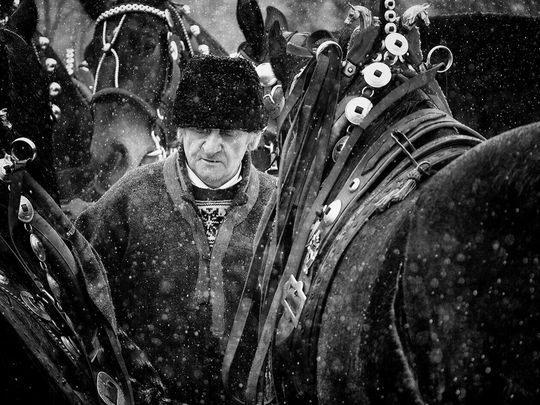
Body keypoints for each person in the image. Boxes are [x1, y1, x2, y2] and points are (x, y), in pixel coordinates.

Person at [76, 55, 276, 404]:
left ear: (254, 138)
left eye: (228, 133)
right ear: (180, 131)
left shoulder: (279, 208)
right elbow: (81, 289)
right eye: (200, 130)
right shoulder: (132, 197)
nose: (211, 146)